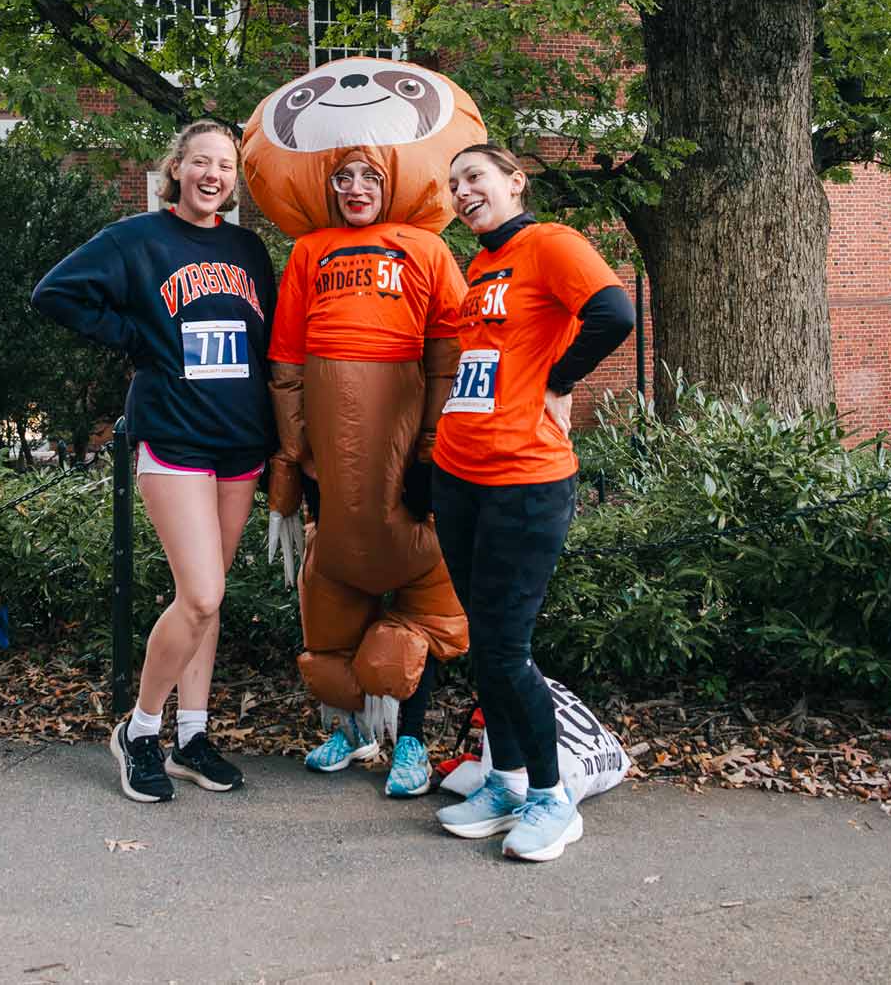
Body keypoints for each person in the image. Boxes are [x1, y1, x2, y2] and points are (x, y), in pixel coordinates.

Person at [32, 120, 277, 803]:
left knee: (210, 599)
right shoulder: (137, 239)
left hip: (239, 440)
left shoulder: (248, 249)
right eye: (201, 162)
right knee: (199, 592)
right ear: (177, 168)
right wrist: (137, 336)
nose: (213, 175)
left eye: (225, 166)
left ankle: (192, 734)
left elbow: (269, 345)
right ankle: (140, 730)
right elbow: (55, 292)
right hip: (174, 435)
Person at [429, 144, 634, 862]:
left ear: (516, 181)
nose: (463, 191)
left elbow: (613, 312)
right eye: (454, 184)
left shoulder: (550, 244)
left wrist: (559, 378)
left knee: (507, 645)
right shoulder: (481, 264)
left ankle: (553, 795)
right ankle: (508, 777)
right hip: (458, 473)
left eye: (475, 177)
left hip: (526, 477)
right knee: (483, 637)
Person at [265, 154, 470, 797]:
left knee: (422, 597)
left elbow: (454, 353)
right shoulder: (310, 252)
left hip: (405, 455)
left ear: (394, 185)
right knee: (329, 601)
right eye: (343, 178)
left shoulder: (429, 249)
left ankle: (409, 738)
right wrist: (295, 463)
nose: (356, 189)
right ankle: (348, 730)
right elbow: (287, 360)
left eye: (370, 178)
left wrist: (434, 451)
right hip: (336, 462)